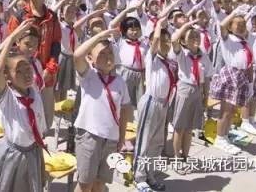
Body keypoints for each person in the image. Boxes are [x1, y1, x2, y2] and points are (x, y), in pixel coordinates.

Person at [0, 21, 47, 192]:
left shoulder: (34, 93)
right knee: (6, 186)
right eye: (19, 71)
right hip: (12, 153)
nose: (26, 74)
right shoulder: (7, 97)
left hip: (33, 150)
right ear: (7, 77)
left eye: (28, 70)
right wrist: (14, 35)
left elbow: (38, 118)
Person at [73, 28, 131, 192]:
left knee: (101, 182)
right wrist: (98, 36)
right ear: (90, 58)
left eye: (110, 53)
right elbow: (77, 55)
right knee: (85, 183)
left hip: (111, 139)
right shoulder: (88, 75)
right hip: (89, 136)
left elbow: (125, 110)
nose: (107, 57)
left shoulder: (119, 81)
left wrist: (121, 136)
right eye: (102, 54)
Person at [7, 0, 61, 128]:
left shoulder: (52, 16)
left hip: (46, 72)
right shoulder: (19, 16)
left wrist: (50, 67)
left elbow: (56, 43)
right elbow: (11, 46)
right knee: (24, 117)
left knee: (45, 116)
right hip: (23, 72)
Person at [132, 21, 175, 192]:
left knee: (156, 143)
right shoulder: (152, 57)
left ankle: (150, 174)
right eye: (162, 40)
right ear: (152, 43)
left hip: (163, 104)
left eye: (168, 40)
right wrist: (161, 20)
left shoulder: (168, 61)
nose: (165, 43)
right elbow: (156, 38)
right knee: (144, 141)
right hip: (151, 101)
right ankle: (139, 177)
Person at [169, 20, 211, 174]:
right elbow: (174, 40)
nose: (195, 39)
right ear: (184, 42)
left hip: (197, 90)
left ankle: (185, 156)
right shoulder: (182, 54)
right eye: (191, 37)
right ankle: (176, 159)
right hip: (184, 89)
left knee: (189, 128)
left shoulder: (203, 54)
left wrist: (206, 95)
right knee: (179, 127)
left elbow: (206, 76)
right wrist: (186, 26)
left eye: (197, 36)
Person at [209, 8, 251, 155]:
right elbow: (221, 26)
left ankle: (225, 136)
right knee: (226, 111)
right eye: (237, 24)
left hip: (241, 76)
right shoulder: (228, 39)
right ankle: (220, 138)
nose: (240, 26)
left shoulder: (243, 40)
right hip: (230, 75)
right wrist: (233, 13)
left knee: (232, 111)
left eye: (243, 24)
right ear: (231, 26)